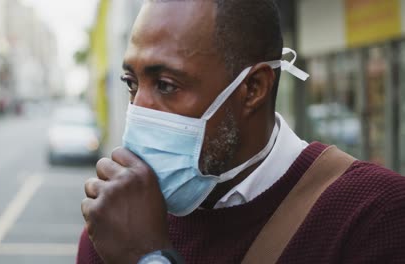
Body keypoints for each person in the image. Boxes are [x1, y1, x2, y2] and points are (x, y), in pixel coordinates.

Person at [78, 0, 405, 263]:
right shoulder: (115, 221)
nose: (138, 111)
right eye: (132, 84)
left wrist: (148, 258)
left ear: (253, 88)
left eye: (166, 85)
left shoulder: (376, 216)